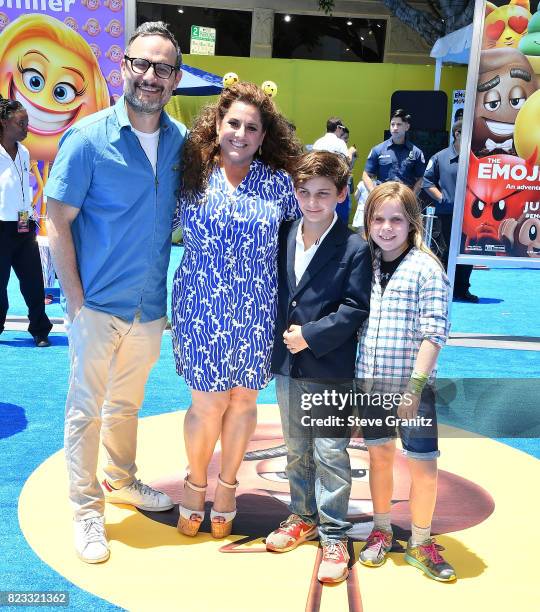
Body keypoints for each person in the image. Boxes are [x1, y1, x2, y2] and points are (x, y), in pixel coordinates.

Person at [44, 22, 187, 564]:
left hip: (149, 307)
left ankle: (122, 480)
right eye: (142, 65)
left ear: (174, 79)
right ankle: (86, 510)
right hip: (97, 305)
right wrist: (75, 301)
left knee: (126, 405)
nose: (151, 77)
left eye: (163, 68)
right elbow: (57, 222)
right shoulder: (86, 139)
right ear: (122, 67)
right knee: (85, 410)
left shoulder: (180, 143)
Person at [172, 81, 302, 539]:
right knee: (206, 404)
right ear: (217, 125)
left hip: (257, 310)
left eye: (252, 127)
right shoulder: (190, 174)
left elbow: (300, 245)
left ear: (264, 137)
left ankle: (227, 488)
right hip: (199, 306)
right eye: (233, 123)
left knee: (244, 400)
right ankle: (195, 484)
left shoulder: (282, 186)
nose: (241, 134)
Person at [264, 151, 371, 583]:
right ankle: (301, 515)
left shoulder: (354, 247)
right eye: (304, 192)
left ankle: (334, 533)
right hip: (288, 363)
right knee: (295, 447)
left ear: (342, 195)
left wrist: (311, 334)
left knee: (330, 451)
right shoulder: (285, 232)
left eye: (323, 194)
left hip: (329, 363)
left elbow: (355, 308)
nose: (312, 202)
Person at [356, 182, 456, 582]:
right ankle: (381, 530)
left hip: (413, 389)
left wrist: (414, 389)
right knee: (379, 458)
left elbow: (435, 334)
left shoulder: (427, 269)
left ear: (412, 223)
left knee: (423, 465)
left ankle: (420, 539)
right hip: (371, 383)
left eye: (396, 219)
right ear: (368, 223)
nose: (386, 227)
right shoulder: (364, 264)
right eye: (378, 219)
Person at [0, 97, 52, 347]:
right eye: (21, 123)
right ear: (3, 122)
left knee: (34, 281)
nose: (26, 127)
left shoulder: (24, 151)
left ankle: (40, 329)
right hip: (0, 226)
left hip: (23, 225)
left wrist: (28, 216)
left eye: (27, 122)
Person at [423, 120, 478, 302]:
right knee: (443, 252)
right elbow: (427, 182)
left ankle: (462, 289)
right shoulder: (440, 157)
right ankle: (442, 289)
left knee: (467, 251)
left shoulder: (477, 158)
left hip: (470, 216)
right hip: (446, 214)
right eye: (467, 133)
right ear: (457, 134)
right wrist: (442, 198)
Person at [362, 109, 425, 194]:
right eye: (392, 124)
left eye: (399, 124)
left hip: (405, 200)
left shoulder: (416, 153)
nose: (395, 128)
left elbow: (421, 178)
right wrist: (374, 194)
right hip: (383, 199)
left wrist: (412, 196)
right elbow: (366, 175)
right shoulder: (377, 150)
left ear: (407, 127)